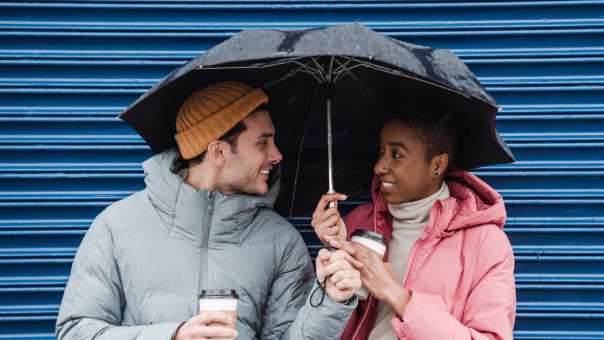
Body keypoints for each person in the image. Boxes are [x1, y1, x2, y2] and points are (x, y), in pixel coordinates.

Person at [56, 81, 361, 340]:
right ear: (218, 152)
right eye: (262, 143)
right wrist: (172, 335)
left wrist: (330, 300)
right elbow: (75, 331)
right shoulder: (116, 226)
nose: (277, 155)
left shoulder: (280, 241)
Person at [311, 99, 516, 340]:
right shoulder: (357, 224)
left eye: (396, 155)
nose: (379, 167)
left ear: (438, 165)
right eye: (381, 152)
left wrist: (396, 294)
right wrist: (334, 253)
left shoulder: (485, 244)